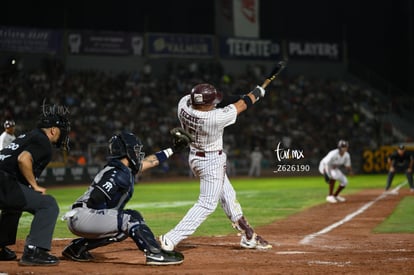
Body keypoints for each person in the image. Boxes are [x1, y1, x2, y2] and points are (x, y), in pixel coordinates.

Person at [159, 83, 272, 252]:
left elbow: (207, 99)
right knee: (207, 204)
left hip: (196, 157)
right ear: (204, 105)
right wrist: (257, 93)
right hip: (210, 161)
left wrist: (243, 94)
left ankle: (248, 235)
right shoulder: (214, 118)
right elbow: (242, 105)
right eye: (211, 102)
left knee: (228, 194)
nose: (214, 104)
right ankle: (170, 239)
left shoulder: (183, 105)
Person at [61, 129, 191, 265]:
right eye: (135, 149)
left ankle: (76, 248)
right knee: (131, 218)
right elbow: (96, 197)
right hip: (84, 216)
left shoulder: (122, 168)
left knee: (122, 228)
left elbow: (152, 161)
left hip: (81, 215)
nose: (138, 153)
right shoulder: (117, 172)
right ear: (127, 151)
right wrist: (106, 214)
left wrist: (173, 149)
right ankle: (155, 254)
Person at [0, 105, 70, 266]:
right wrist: (34, 185)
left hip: (5, 180)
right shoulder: (43, 141)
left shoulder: (28, 136)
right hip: (3, 181)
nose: (63, 134)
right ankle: (34, 251)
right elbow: (23, 159)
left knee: (14, 206)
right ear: (53, 130)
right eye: (61, 130)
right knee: (48, 204)